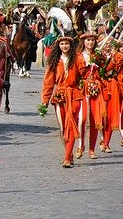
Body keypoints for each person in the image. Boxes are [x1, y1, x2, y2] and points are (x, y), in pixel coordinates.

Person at [41, 36, 84, 168]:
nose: (64, 46)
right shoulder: (54, 61)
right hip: (60, 96)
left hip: (74, 96)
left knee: (71, 125)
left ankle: (66, 158)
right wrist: (45, 101)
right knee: (63, 127)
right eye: (62, 44)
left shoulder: (77, 59)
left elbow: (84, 74)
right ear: (58, 46)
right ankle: (69, 153)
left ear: (71, 45)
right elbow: (48, 82)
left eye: (66, 44)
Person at [74, 32, 104, 160]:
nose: (90, 43)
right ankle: (81, 145)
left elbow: (105, 69)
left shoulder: (98, 55)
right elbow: (75, 73)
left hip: (95, 89)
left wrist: (101, 60)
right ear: (83, 42)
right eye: (88, 40)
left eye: (92, 40)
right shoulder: (77, 56)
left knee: (94, 120)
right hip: (82, 89)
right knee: (82, 118)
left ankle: (92, 149)